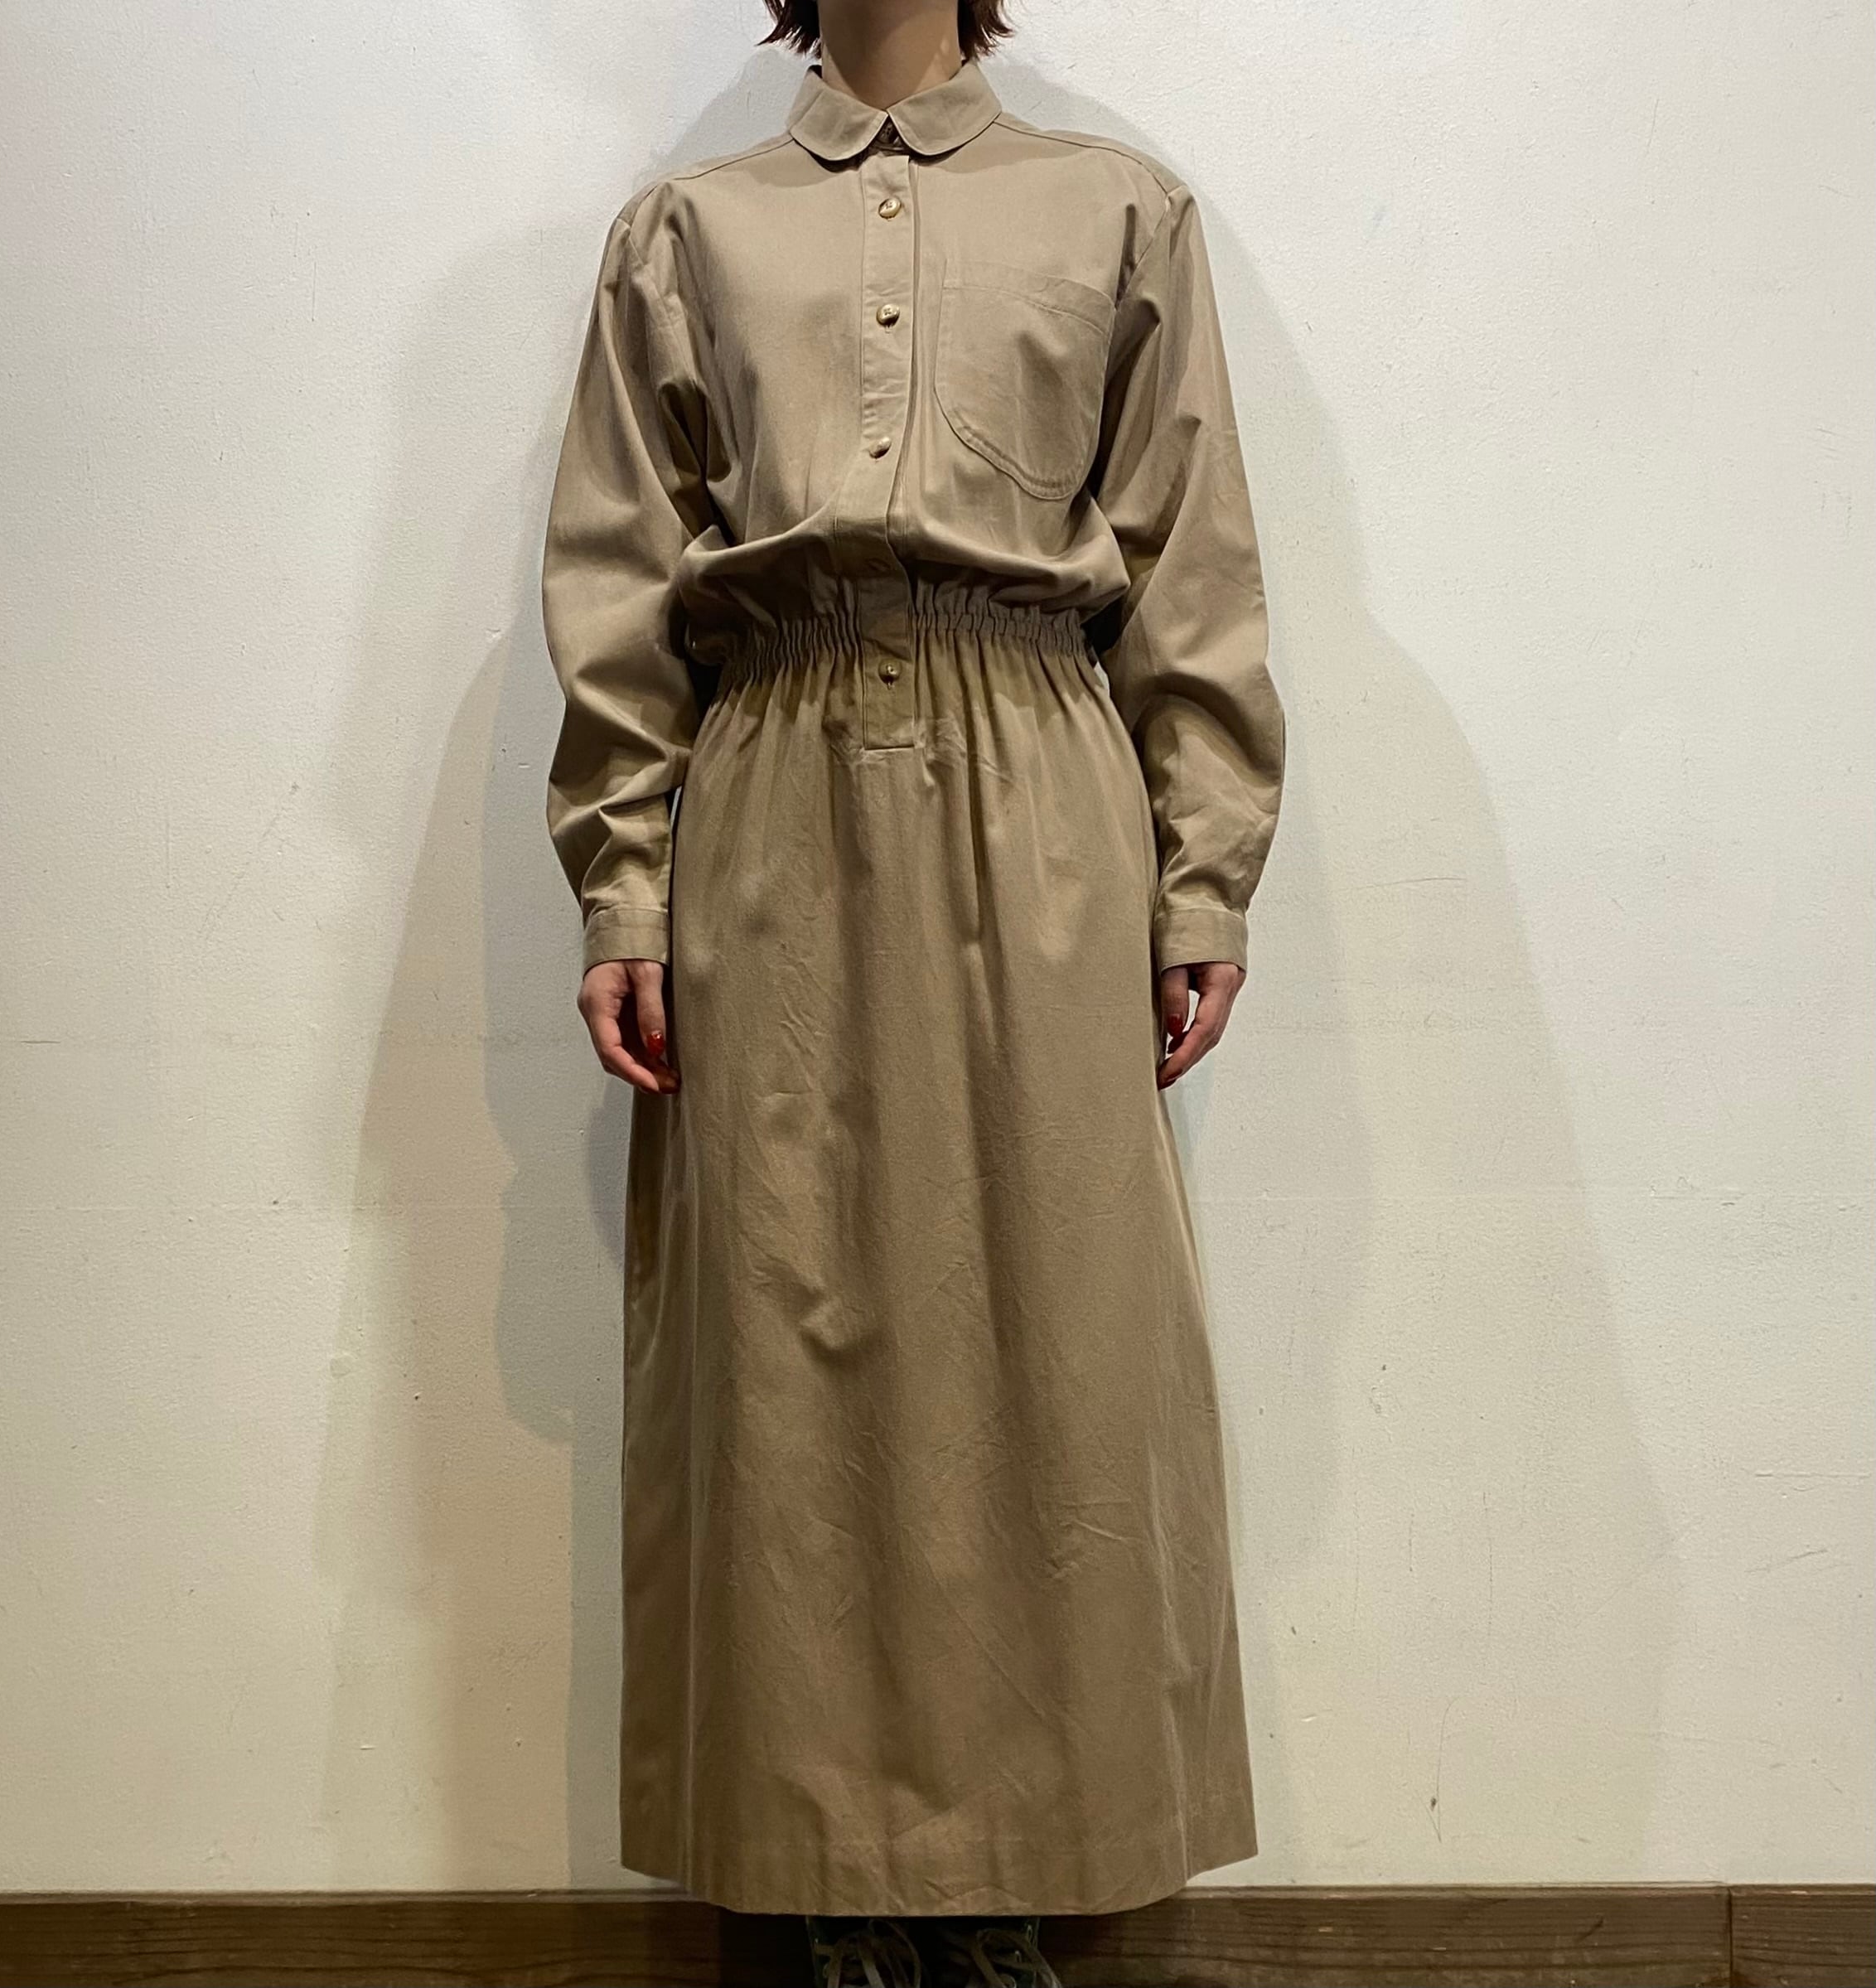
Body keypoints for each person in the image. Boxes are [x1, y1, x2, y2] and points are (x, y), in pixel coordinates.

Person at [539, 2, 1286, 1982]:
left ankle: (1021, 1893)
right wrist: (624, 890)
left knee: (1056, 1347)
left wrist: (1204, 871)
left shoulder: (1116, 211)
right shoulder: (686, 234)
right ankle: (820, 1899)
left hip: (1044, 787)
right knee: (784, 1355)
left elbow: (1193, 566)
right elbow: (618, 590)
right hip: (772, 790)